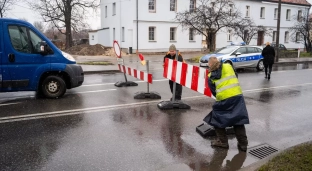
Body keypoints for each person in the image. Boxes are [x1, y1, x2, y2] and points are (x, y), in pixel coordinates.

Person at [203, 56, 249, 152]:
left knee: (217, 119)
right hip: (237, 96)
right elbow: (235, 76)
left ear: (209, 65)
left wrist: (222, 95)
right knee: (238, 120)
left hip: (223, 99)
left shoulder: (210, 76)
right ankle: (243, 144)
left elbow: (214, 92)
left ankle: (223, 142)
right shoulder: (228, 66)